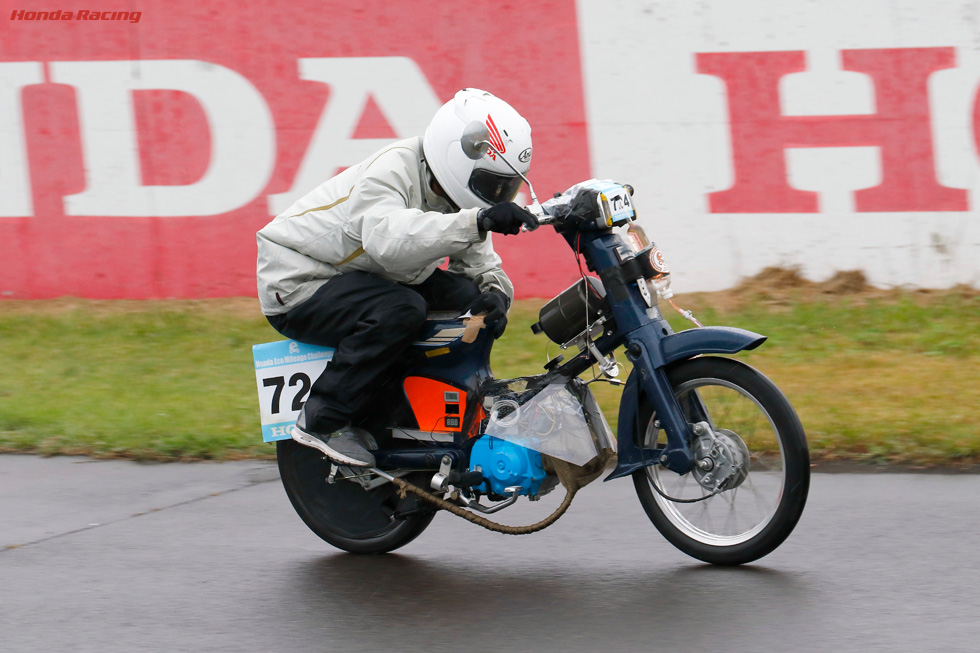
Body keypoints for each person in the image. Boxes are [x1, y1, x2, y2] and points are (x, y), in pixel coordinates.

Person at [256, 88, 535, 468]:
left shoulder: (455, 198)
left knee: (469, 295)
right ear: (458, 157)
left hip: (364, 275)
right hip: (298, 280)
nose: (497, 197)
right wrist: (479, 221)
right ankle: (323, 420)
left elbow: (480, 264)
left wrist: (497, 295)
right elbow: (389, 241)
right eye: (492, 186)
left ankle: (436, 407)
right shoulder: (392, 169)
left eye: (506, 188)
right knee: (402, 308)